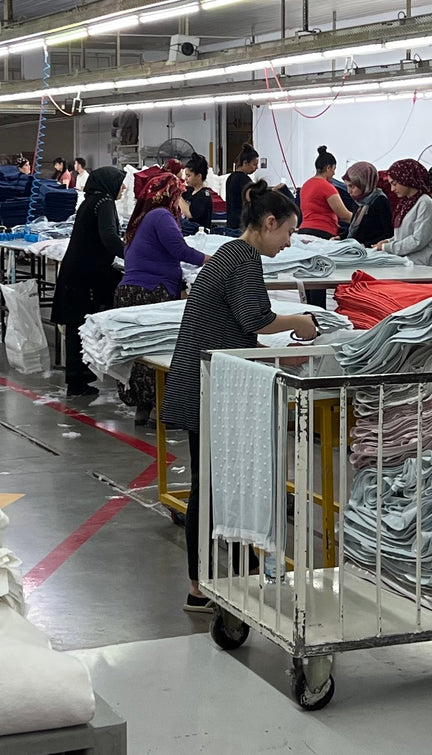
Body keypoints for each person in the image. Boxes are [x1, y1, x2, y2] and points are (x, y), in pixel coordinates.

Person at [161, 180, 318, 613]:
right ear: (269, 223)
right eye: (287, 232)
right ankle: (203, 586)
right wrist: (299, 323)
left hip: (205, 381)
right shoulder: (244, 259)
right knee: (211, 488)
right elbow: (256, 316)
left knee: (211, 485)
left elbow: (236, 324)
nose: (288, 243)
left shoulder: (230, 255)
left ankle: (225, 578)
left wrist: (274, 357)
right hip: (207, 388)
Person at [115, 173, 209, 425]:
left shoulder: (142, 217)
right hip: (151, 292)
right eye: (178, 194)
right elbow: (179, 250)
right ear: (169, 195)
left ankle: (143, 409)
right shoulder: (161, 216)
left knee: (140, 353)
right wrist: (211, 261)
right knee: (161, 352)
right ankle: (166, 411)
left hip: (132, 291)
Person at [51, 167, 126, 397]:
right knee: (79, 324)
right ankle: (77, 381)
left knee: (77, 324)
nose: (123, 188)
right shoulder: (103, 202)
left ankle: (79, 377)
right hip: (84, 275)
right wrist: (131, 256)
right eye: (120, 183)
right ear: (109, 184)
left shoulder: (91, 200)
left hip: (77, 271)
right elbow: (109, 236)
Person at [375, 159, 432, 266]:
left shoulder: (425, 202)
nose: (392, 189)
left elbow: (418, 240)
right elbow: (403, 236)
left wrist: (388, 247)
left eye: (395, 184)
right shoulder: (405, 203)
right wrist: (388, 241)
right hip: (405, 263)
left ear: (407, 180)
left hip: (421, 266)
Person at [298, 146, 352, 240]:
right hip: (322, 232)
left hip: (303, 230)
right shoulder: (327, 187)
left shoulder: (305, 185)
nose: (334, 173)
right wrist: (362, 221)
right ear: (328, 168)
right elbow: (344, 215)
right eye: (334, 169)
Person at [342, 161, 393, 247]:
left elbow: (389, 233)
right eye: (347, 186)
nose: (348, 191)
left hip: (371, 251)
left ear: (364, 184)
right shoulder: (358, 201)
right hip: (356, 248)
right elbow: (355, 227)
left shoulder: (380, 201)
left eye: (352, 186)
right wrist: (341, 237)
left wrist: (366, 245)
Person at [225, 143, 259, 229]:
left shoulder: (230, 177)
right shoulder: (245, 180)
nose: (256, 167)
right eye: (254, 164)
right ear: (245, 163)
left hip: (231, 222)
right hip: (241, 224)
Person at [178, 153, 214, 230]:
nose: (186, 179)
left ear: (198, 176)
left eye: (188, 176)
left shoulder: (204, 195)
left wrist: (177, 195)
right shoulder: (189, 190)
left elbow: (190, 214)